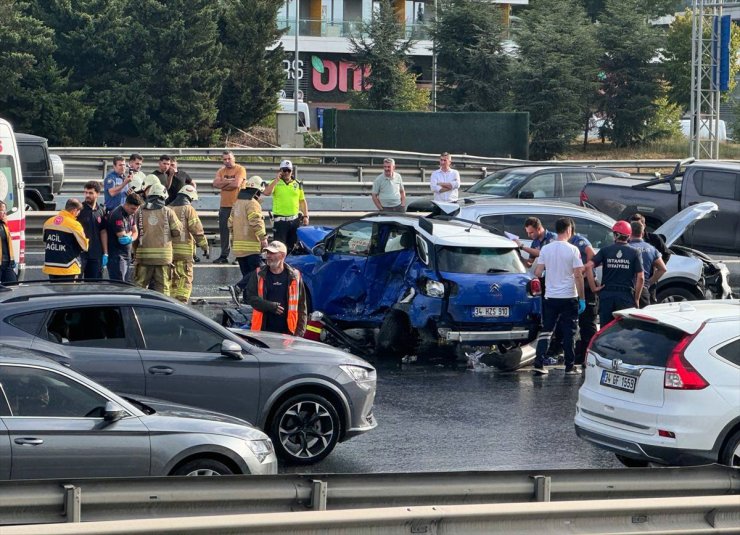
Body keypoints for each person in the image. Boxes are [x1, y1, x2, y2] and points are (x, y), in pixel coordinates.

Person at [531, 217, 585, 376]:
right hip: (569, 296)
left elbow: (538, 272)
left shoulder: (546, 249)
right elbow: (578, 275)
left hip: (551, 297)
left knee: (547, 330)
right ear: (569, 230)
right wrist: (581, 298)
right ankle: (569, 366)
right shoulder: (573, 249)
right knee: (569, 332)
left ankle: (539, 363)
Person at [585, 220, 644, 328]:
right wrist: (636, 298)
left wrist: (593, 287)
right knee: (624, 330)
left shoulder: (605, 250)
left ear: (616, 235)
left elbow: (588, 266)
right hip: (626, 296)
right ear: (628, 236)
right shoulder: (635, 252)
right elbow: (641, 278)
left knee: (605, 330)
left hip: (607, 295)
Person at [246, 240, 307, 337]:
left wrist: (299, 333)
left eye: (272, 253)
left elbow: (302, 306)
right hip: (262, 332)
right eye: (267, 253)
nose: (268, 256)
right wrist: (270, 306)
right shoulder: (258, 273)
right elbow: (250, 298)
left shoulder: (295, 276)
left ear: (282, 256)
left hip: (287, 333)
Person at [133, 183, 182, 295]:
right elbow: (177, 231)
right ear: (163, 196)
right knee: (163, 288)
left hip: (143, 256)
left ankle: (138, 310)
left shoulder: (139, 211)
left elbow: (134, 232)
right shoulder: (168, 211)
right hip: (163, 258)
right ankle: (163, 311)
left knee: (140, 287)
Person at [230, 176, 268, 298]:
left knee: (248, 275)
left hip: (239, 247)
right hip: (251, 246)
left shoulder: (237, 203)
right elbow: (256, 221)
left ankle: (247, 301)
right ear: (257, 191)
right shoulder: (253, 203)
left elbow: (230, 223)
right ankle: (238, 287)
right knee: (261, 270)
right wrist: (263, 238)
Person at [169, 184, 208, 302]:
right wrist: (204, 245)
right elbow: (196, 229)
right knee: (185, 277)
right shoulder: (188, 209)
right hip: (184, 251)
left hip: (169, 251)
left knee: (172, 278)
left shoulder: (167, 208)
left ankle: (171, 302)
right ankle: (181, 302)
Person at [263, 159, 309, 253]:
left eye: (289, 170)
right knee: (279, 248)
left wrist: (305, 216)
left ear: (292, 171)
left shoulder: (297, 183)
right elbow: (266, 192)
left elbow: (302, 201)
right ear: (280, 171)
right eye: (284, 170)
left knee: (292, 247)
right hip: (280, 221)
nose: (287, 173)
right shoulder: (274, 182)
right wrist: (276, 180)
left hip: (294, 220)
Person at [212, 151, 246, 264]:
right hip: (224, 205)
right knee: (224, 231)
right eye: (224, 159)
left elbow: (236, 184)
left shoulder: (240, 169)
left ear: (234, 158)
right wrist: (228, 182)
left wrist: (223, 182)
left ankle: (239, 256)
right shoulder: (221, 171)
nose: (227, 161)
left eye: (229, 159)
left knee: (237, 231)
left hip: (237, 205)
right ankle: (224, 255)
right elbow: (215, 184)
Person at [42, 198, 89, 281]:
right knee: (68, 293)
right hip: (68, 268)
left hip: (51, 267)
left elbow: (46, 242)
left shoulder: (48, 222)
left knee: (54, 293)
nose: (78, 214)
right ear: (74, 210)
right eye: (78, 212)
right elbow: (85, 246)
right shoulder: (75, 225)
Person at [629, 220, 667, 307]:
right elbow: (663, 269)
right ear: (642, 233)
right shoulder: (651, 249)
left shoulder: (626, 248)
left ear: (630, 232)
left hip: (627, 289)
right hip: (643, 290)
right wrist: (649, 283)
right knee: (643, 319)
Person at [106, 194, 141, 282]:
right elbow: (122, 239)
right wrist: (131, 234)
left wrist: (130, 237)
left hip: (126, 254)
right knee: (119, 285)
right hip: (117, 256)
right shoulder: (118, 215)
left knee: (125, 283)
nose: (134, 211)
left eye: (136, 209)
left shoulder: (130, 214)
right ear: (126, 204)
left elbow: (136, 232)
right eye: (133, 209)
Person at [78, 181, 108, 279]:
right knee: (73, 284)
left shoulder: (101, 211)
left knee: (94, 285)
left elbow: (103, 231)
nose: (87, 195)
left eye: (90, 193)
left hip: (96, 254)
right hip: (80, 254)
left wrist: (105, 252)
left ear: (97, 194)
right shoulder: (79, 210)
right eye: (86, 192)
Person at [0, 200, 17, 283]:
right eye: (1, 211)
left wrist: (12, 259)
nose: (4, 213)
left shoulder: (4, 224)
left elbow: (8, 244)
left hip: (7, 263)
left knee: (12, 285)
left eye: (4, 210)